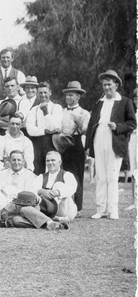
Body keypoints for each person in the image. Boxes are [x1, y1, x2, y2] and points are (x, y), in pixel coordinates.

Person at [86, 69, 137, 220]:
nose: (107, 88)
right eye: (104, 85)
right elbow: (91, 124)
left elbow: (132, 123)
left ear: (116, 85)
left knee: (112, 176)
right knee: (101, 176)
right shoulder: (99, 102)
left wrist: (118, 127)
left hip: (114, 140)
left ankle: (113, 210)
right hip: (99, 138)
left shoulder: (125, 102)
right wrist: (88, 144)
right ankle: (101, 209)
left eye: (109, 85)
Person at [59, 81, 91, 212]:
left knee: (77, 175)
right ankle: (65, 205)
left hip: (76, 144)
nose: (68, 98)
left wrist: (78, 121)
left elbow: (85, 130)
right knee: (63, 174)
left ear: (78, 97)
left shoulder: (84, 113)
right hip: (62, 143)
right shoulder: (61, 110)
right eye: (67, 95)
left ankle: (77, 207)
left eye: (71, 95)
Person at [24, 82, 63, 175]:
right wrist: (44, 130)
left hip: (53, 142)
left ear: (50, 92)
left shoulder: (57, 107)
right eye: (40, 93)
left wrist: (46, 112)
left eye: (45, 92)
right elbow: (30, 129)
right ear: (37, 94)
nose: (43, 95)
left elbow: (56, 127)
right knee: (37, 169)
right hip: (37, 142)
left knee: (54, 168)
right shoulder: (33, 110)